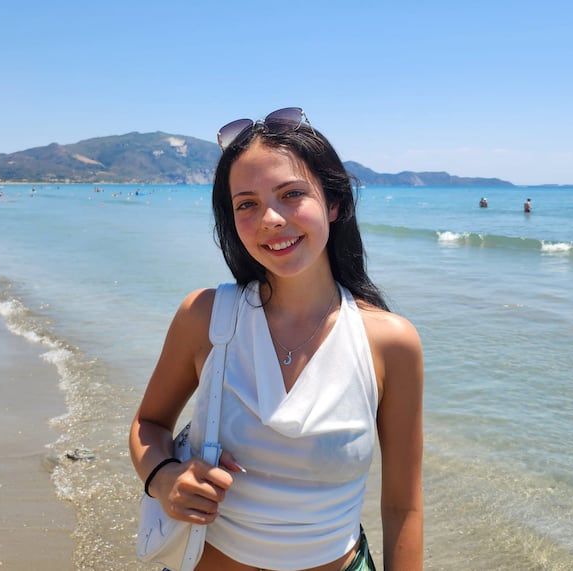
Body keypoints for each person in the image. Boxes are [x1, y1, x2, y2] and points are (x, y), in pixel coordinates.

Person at [129, 107, 424, 571]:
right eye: (246, 203)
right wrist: (164, 478)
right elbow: (149, 424)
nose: (270, 218)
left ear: (333, 203)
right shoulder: (205, 317)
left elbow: (403, 507)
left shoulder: (390, 342)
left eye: (291, 194)